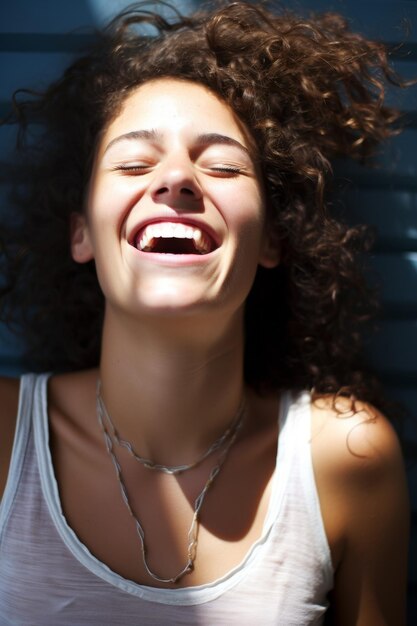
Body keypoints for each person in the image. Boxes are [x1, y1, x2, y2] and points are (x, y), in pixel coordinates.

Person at [0, 1, 410, 624]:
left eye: (222, 166)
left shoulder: (346, 460)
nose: (176, 180)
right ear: (81, 234)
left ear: (273, 238)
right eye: (134, 163)